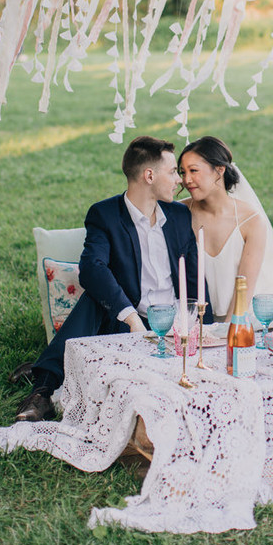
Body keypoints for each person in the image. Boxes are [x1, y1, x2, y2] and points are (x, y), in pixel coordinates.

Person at [16, 135, 212, 423]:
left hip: (174, 324)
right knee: (96, 296)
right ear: (149, 176)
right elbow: (91, 267)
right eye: (173, 172)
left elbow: (194, 276)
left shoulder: (179, 215)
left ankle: (41, 366)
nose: (179, 180)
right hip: (127, 321)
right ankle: (43, 389)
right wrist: (131, 318)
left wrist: (203, 327)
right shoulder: (105, 214)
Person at [178, 136, 273, 322]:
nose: (186, 180)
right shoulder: (179, 213)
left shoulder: (251, 220)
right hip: (197, 319)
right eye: (182, 172)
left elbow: (245, 287)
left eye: (193, 170)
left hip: (243, 317)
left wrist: (228, 328)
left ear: (219, 170)